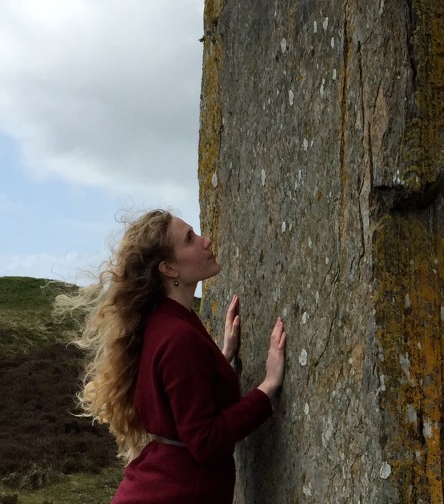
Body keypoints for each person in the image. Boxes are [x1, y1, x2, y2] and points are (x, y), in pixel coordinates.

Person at [55, 209, 286, 503]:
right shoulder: (178, 337)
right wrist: (268, 387)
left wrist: (220, 357)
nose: (206, 241)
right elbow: (206, 440)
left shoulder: (165, 321)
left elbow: (180, 393)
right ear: (169, 269)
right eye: (190, 239)